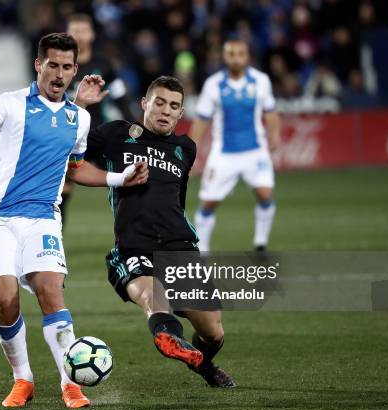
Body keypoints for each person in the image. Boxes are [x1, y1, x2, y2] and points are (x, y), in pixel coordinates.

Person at [0, 33, 148, 409]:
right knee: (6, 300)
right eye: (52, 64)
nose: (59, 73)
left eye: (67, 66)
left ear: (75, 70)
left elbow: (75, 168)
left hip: (43, 222)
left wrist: (119, 178)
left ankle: (71, 385)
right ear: (39, 65)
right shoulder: (9, 104)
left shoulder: (78, 119)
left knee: (51, 291)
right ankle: (23, 379)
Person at [80, 76, 235, 388]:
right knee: (154, 297)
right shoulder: (115, 135)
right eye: (160, 102)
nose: (166, 110)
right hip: (134, 247)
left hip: (179, 247)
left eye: (174, 106)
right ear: (145, 104)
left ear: (180, 114)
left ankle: (201, 363)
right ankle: (167, 337)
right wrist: (80, 106)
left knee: (214, 332)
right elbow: (69, 151)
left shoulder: (184, 149)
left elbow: (177, 199)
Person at [189, 38, 281, 254]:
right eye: (231, 54)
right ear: (224, 57)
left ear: (247, 56)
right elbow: (201, 119)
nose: (236, 59)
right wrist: (191, 152)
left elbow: (271, 111)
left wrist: (275, 134)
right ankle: (202, 250)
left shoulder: (261, 81)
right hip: (224, 154)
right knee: (209, 202)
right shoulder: (213, 84)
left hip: (255, 150)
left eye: (240, 54)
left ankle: (260, 243)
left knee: (265, 195)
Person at [58, 13, 136, 228]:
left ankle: (132, 233)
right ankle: (54, 238)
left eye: (84, 30)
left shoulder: (103, 63)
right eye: (75, 30)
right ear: (68, 34)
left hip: (99, 134)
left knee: (122, 181)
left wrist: (134, 125)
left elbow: (119, 96)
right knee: (61, 189)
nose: (80, 35)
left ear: (91, 34)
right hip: (69, 134)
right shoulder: (59, 64)